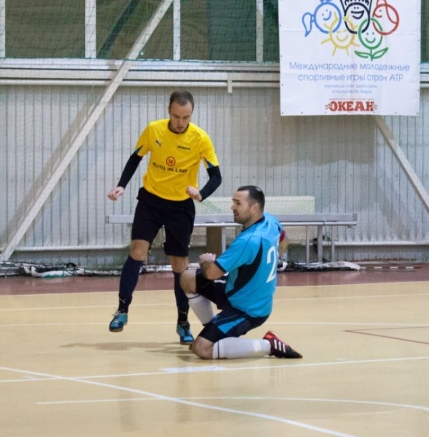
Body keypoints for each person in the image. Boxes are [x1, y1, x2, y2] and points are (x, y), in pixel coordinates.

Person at [107, 90, 222, 343]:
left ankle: (183, 322)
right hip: (150, 200)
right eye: (176, 116)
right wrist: (121, 185)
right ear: (168, 111)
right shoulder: (154, 130)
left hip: (180, 207)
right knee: (137, 251)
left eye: (186, 117)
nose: (180, 122)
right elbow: (135, 158)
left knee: (179, 267)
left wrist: (201, 193)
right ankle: (122, 310)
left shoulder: (200, 138)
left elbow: (216, 176)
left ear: (191, 114)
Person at [180, 185, 302, 360]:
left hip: (247, 310)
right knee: (187, 278)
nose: (232, 207)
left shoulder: (248, 241)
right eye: (233, 202)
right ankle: (214, 329)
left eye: (238, 203)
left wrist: (206, 261)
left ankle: (269, 345)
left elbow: (212, 273)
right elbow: (283, 240)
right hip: (237, 289)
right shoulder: (271, 221)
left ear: (254, 208)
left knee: (202, 349)